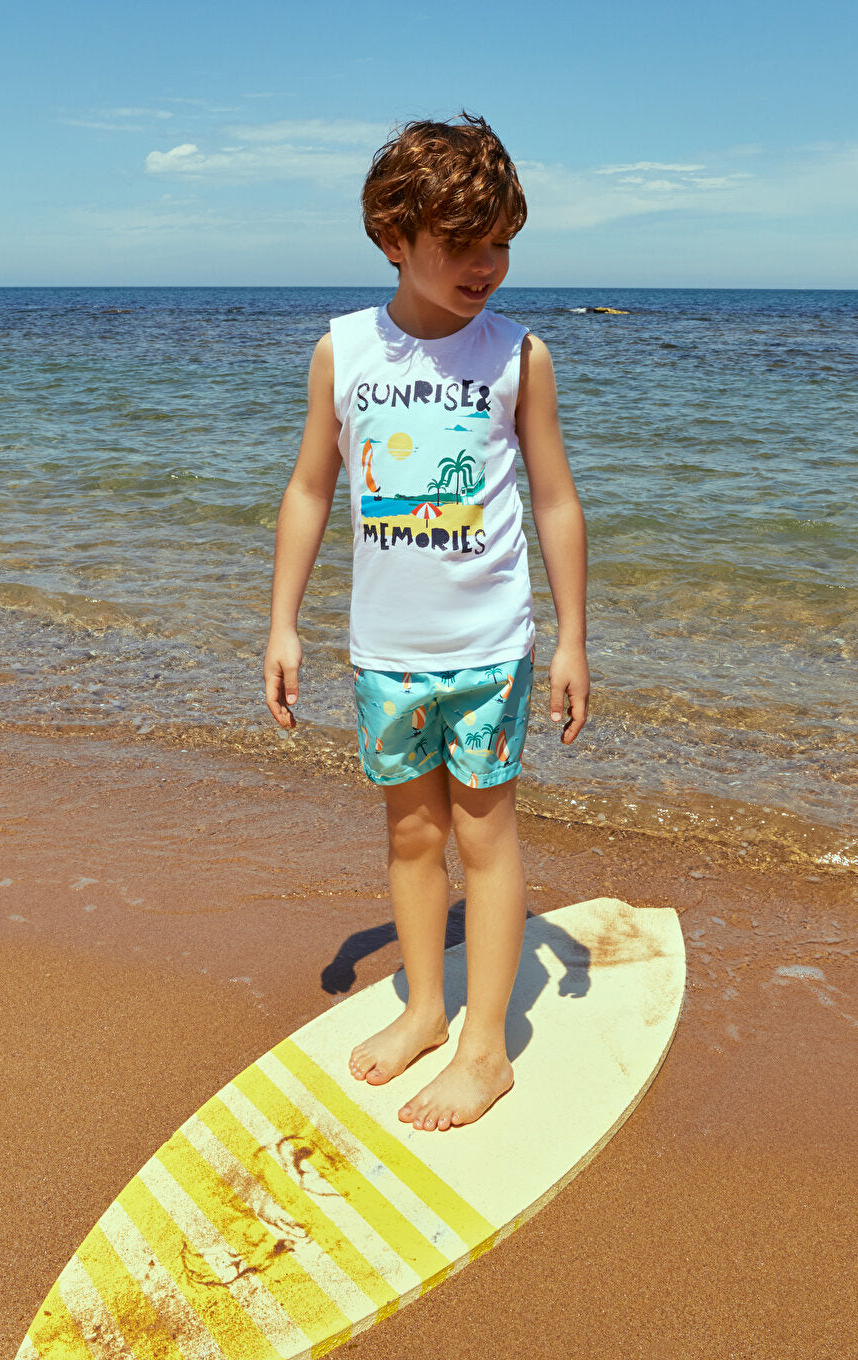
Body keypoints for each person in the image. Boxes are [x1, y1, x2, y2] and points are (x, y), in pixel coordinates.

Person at [263, 111, 589, 1132]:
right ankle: (425, 1008)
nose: (489, 264)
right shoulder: (344, 350)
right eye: (463, 243)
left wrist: (573, 634)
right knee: (411, 835)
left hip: (490, 652)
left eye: (502, 241)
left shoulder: (517, 356)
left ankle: (486, 1049)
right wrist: (284, 622)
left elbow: (555, 502)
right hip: (387, 655)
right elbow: (311, 489)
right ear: (396, 238)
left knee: (486, 837)